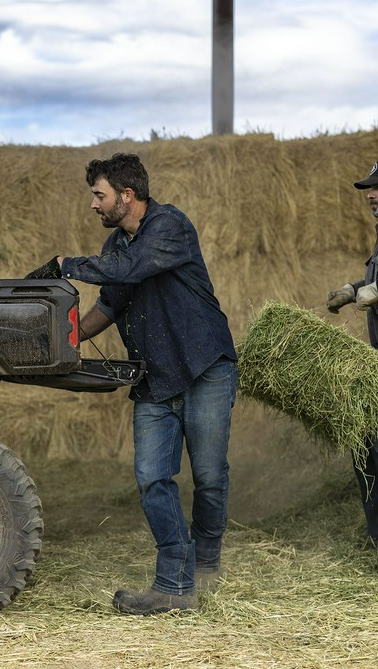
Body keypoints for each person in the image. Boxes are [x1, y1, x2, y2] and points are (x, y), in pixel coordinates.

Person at [26, 153, 237, 614]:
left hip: (204, 367)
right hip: (155, 377)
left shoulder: (170, 227)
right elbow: (112, 303)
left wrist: (65, 264)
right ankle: (174, 585)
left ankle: (205, 564)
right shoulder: (113, 250)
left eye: (99, 195)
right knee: (151, 478)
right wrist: (68, 338)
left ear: (127, 195)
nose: (93, 205)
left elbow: (132, 269)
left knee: (208, 477)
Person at [325, 154, 378, 569]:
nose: (370, 194)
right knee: (362, 439)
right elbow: (376, 280)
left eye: (377, 186)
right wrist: (353, 288)